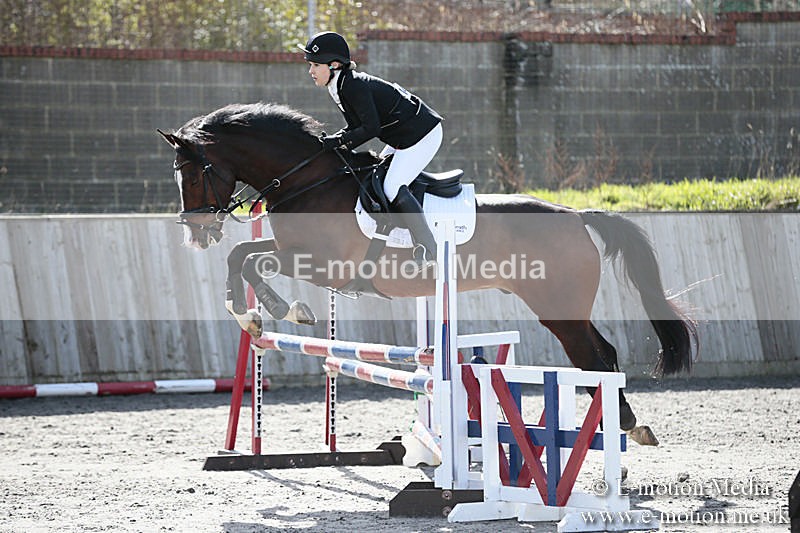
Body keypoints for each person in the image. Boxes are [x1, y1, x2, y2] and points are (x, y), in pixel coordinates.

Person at [298, 31, 443, 270]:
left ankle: (429, 249)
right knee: (376, 178)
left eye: (315, 65)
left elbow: (370, 128)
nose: (310, 71)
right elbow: (357, 127)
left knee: (391, 186)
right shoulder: (341, 83)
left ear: (334, 65)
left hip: (422, 135)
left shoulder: (352, 85)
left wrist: (339, 141)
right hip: (403, 136)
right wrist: (336, 143)